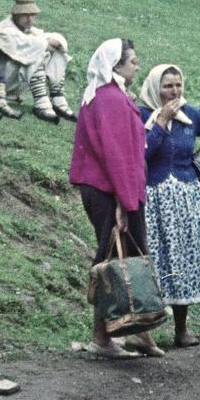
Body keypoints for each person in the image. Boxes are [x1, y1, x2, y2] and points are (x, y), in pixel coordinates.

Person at [67, 38, 162, 359]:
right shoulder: (109, 99)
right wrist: (124, 203)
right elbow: (116, 155)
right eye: (133, 60)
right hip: (111, 191)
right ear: (116, 65)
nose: (138, 65)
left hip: (117, 189)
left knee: (126, 258)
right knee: (112, 260)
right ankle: (102, 339)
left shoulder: (112, 95)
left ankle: (138, 332)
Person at [137, 63, 200, 347]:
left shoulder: (191, 114)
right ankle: (144, 333)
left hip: (188, 199)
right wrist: (162, 120)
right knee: (157, 260)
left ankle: (181, 330)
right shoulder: (142, 115)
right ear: (155, 88)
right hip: (156, 198)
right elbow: (144, 152)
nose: (174, 91)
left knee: (183, 260)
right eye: (168, 86)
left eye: (178, 85)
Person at [0, 0, 76, 124]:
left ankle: (57, 96)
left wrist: (54, 41)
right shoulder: (4, 29)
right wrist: (44, 43)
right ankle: (41, 102)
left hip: (16, 80)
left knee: (57, 52)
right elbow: (31, 44)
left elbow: (56, 38)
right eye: (25, 15)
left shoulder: (28, 30)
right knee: (36, 53)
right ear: (16, 14)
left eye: (32, 15)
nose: (29, 19)